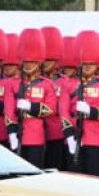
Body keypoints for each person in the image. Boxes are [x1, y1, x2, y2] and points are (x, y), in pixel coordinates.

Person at [63, 31, 99, 176]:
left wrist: (90, 111)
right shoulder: (69, 84)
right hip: (73, 137)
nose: (87, 66)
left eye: (91, 63)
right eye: (84, 63)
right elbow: (63, 111)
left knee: (94, 178)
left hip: (94, 139)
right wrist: (68, 134)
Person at [11, 28, 57, 167]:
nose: (28, 64)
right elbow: (8, 110)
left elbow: (51, 109)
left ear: (38, 63)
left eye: (32, 62)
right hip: (17, 134)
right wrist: (11, 131)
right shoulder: (13, 84)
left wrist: (31, 107)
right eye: (26, 61)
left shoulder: (46, 85)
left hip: (36, 136)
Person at [40, 26, 67, 170]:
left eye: (49, 60)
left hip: (56, 131)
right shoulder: (34, 82)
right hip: (36, 131)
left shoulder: (63, 82)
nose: (45, 64)